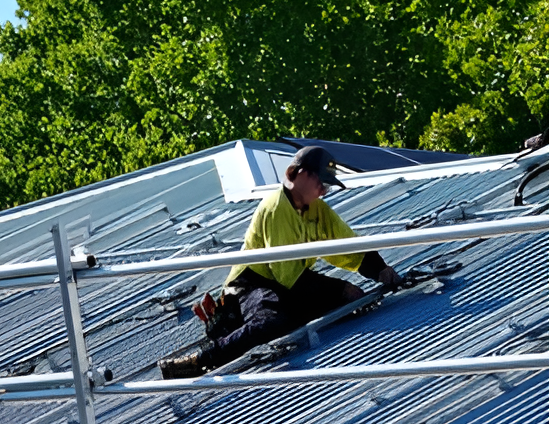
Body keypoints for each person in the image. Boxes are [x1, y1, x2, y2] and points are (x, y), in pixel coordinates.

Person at [158, 147, 401, 379]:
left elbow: (345, 246)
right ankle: (203, 359)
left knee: (330, 305)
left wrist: (380, 270)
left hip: (284, 288)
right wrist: (342, 289)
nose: (323, 191)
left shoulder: (316, 209)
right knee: (275, 319)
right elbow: (290, 277)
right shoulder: (277, 207)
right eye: (320, 183)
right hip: (248, 289)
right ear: (299, 175)